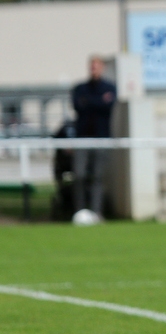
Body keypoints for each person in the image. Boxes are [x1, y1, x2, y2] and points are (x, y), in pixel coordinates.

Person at [71, 55, 116, 221]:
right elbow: (78, 106)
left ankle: (96, 213)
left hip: (101, 138)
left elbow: (107, 107)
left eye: (96, 66)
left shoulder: (109, 87)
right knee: (79, 175)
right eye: (91, 66)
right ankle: (80, 212)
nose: (93, 69)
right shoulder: (80, 88)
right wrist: (98, 101)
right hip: (82, 138)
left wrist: (89, 102)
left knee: (98, 176)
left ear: (102, 68)